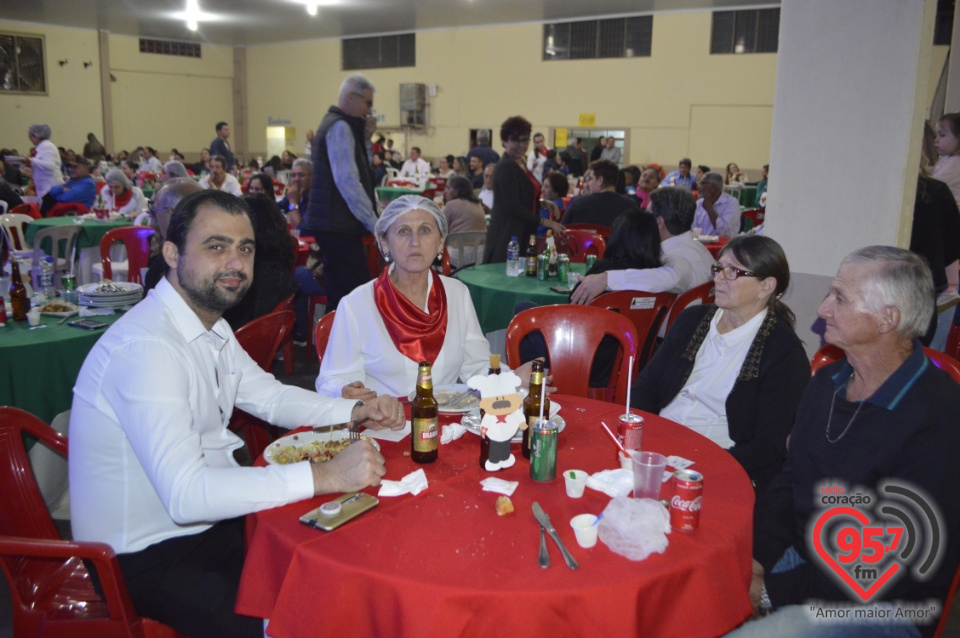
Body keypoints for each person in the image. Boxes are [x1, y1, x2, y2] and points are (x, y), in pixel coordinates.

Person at [69, 190, 404, 637]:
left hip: (207, 526)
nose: (235, 261)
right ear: (171, 253)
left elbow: (269, 397)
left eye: (244, 248)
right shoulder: (147, 348)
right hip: (142, 557)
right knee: (296, 619)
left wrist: (357, 410)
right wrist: (325, 474)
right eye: (216, 246)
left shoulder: (208, 324)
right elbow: (186, 494)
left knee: (333, 570)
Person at [738, 246, 960, 637]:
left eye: (840, 297)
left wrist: (772, 591)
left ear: (888, 318)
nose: (822, 309)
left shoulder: (939, 416)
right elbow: (791, 482)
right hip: (807, 562)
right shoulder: (828, 383)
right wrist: (756, 558)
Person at [630, 235, 808, 491]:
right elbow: (646, 388)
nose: (719, 278)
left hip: (719, 461)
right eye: (719, 268)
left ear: (766, 286)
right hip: (660, 444)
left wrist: (707, 466)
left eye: (733, 271)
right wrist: (642, 438)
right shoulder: (691, 320)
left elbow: (768, 445)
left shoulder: (782, 352)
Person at [316, 195, 535, 399]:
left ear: (441, 242)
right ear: (384, 243)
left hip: (446, 420)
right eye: (403, 231)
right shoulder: (357, 305)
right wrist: (344, 392)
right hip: (383, 425)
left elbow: (476, 366)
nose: (415, 242)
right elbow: (332, 379)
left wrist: (513, 379)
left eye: (425, 230)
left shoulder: (457, 294)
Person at [303, 73, 379, 312]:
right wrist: (375, 223)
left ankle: (335, 346)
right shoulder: (340, 126)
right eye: (368, 103)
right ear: (350, 97)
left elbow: (360, 170)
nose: (370, 110)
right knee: (352, 297)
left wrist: (366, 139)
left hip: (335, 223)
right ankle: (337, 347)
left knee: (344, 295)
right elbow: (349, 183)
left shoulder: (341, 125)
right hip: (338, 225)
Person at [571, 187, 714, 305]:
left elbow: (674, 277)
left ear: (659, 222)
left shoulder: (676, 257)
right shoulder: (701, 250)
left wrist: (607, 278)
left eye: (647, 214)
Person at [483, 116, 564, 263]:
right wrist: (547, 222)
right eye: (516, 140)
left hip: (520, 230)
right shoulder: (506, 167)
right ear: (505, 141)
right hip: (508, 234)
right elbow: (512, 206)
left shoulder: (520, 163)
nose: (522, 145)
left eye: (525, 140)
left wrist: (543, 203)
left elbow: (522, 196)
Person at [221, 193, 299, 330]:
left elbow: (232, 313)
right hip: (263, 331)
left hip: (240, 335)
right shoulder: (279, 253)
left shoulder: (253, 267)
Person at [143, 178, 204, 292]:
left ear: (171, 213)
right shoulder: (218, 249)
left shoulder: (166, 264)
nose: (154, 218)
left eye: (156, 210)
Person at [561, 159, 641, 227]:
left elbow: (563, 230)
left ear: (600, 180)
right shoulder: (631, 205)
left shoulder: (578, 203)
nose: (589, 184)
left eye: (591, 179)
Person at [693, 172, 741, 238]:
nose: (698, 186)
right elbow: (692, 229)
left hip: (723, 246)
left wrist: (710, 210)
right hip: (700, 245)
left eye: (702, 183)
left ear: (713, 188)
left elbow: (725, 233)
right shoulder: (699, 203)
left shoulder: (731, 203)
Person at [22, 123, 63, 198]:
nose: (30, 138)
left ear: (37, 135)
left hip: (50, 186)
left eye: (31, 135)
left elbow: (50, 166)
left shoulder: (48, 146)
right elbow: (41, 167)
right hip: (43, 187)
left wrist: (31, 160)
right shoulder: (41, 147)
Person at [279, 157, 311, 231]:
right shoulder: (295, 192)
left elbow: (299, 229)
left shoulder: (315, 198)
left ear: (312, 177)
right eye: (293, 175)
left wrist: (293, 201)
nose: (296, 179)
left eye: (301, 175)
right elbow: (277, 208)